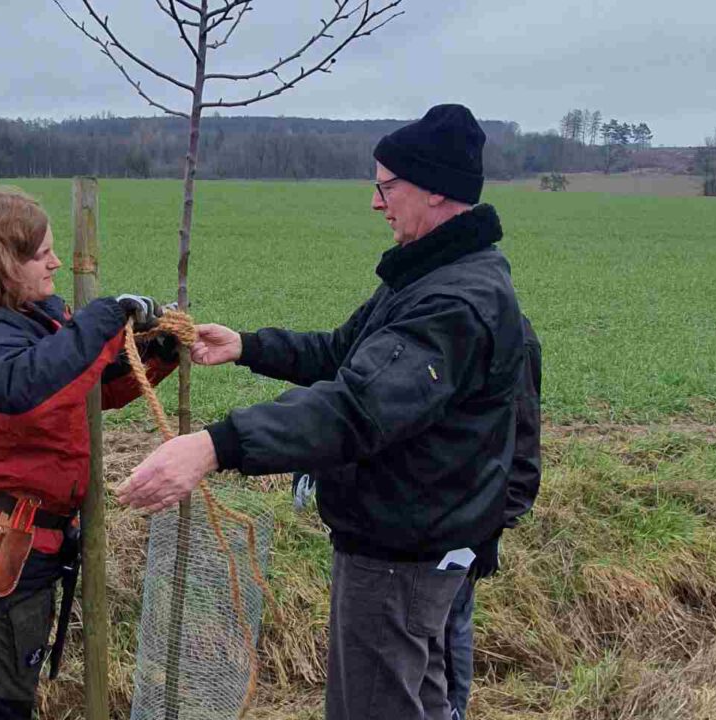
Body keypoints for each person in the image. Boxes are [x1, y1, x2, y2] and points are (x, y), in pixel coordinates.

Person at [117, 104, 525, 720]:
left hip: (401, 558)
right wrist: (250, 347)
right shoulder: (431, 275)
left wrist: (215, 445)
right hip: (427, 542)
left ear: (436, 192)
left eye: (386, 187)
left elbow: (356, 407)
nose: (375, 203)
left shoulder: (452, 302)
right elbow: (345, 355)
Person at [0, 186, 176, 720]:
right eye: (42, 254)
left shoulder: (32, 317)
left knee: (7, 697)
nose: (57, 262)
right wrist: (102, 319)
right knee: (0, 706)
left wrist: (155, 351)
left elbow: (85, 386)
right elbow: (17, 386)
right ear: (4, 262)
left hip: (22, 539)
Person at [443, 315, 542, 720]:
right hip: (425, 509)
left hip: (467, 515)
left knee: (449, 626)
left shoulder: (507, 333)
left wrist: (491, 525)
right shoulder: (432, 315)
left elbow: (522, 437)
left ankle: (452, 713)